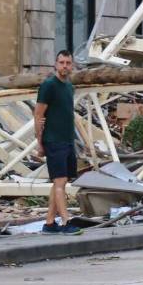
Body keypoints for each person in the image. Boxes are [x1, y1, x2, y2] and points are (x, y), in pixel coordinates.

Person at [36, 50, 82, 235]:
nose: (64, 66)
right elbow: (38, 115)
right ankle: (65, 221)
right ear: (55, 64)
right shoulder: (49, 86)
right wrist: (40, 143)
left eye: (68, 63)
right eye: (61, 62)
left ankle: (49, 223)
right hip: (54, 140)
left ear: (72, 65)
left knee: (60, 183)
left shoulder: (69, 87)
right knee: (60, 181)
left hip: (67, 139)